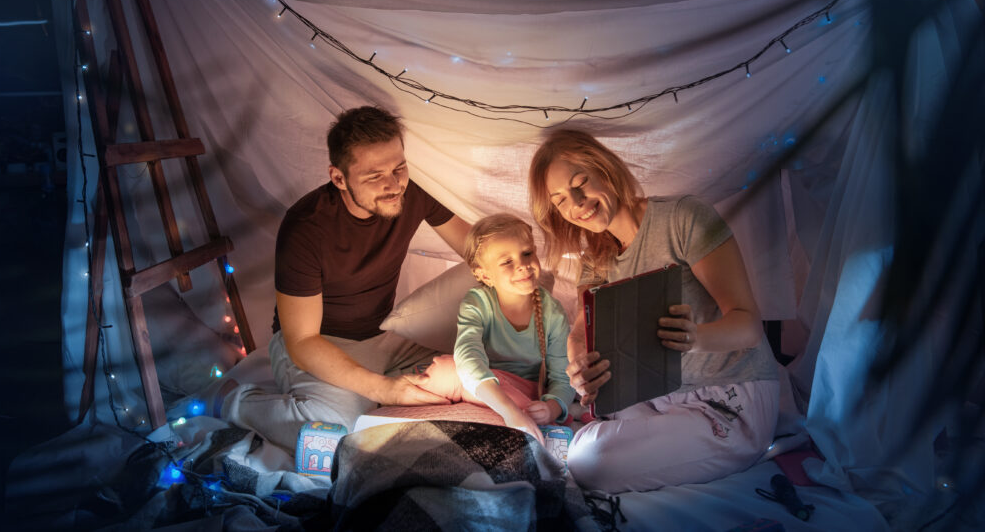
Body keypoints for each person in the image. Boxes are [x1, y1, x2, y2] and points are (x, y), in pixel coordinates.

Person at [528, 128, 780, 493]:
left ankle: (736, 444)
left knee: (588, 461)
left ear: (606, 168)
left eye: (581, 182)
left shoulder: (683, 218)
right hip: (655, 396)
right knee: (586, 438)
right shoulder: (594, 259)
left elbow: (749, 325)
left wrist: (695, 338)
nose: (578, 201)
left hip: (729, 398)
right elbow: (582, 333)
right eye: (561, 200)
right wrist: (579, 369)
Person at [217, 106, 470, 451]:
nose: (394, 185)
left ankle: (373, 395)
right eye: (374, 176)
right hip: (319, 345)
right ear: (339, 178)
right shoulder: (306, 227)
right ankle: (236, 401)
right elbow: (303, 341)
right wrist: (382, 389)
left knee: (468, 378)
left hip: (384, 337)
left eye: (399, 168)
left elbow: (478, 248)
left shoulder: (413, 193)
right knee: (339, 433)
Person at [411, 214, 576, 444]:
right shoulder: (477, 303)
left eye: (527, 253)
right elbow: (468, 354)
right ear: (484, 275)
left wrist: (552, 407)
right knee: (444, 370)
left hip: (521, 392)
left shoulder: (553, 312)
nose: (522, 265)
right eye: (507, 262)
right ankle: (497, 406)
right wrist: (506, 409)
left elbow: (562, 375)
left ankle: (518, 413)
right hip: (485, 384)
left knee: (452, 376)